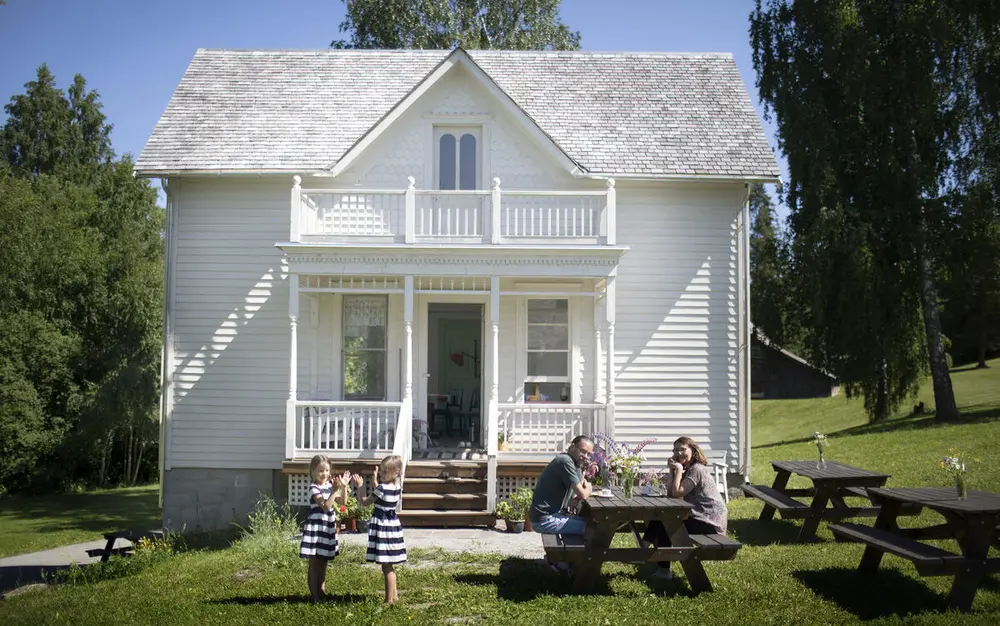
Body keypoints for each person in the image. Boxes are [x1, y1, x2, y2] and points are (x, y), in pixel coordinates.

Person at [642, 436, 728, 579]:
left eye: (682, 449)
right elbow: (670, 494)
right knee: (665, 521)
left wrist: (679, 470)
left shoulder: (697, 469)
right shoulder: (688, 468)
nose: (678, 453)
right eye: (675, 450)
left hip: (709, 522)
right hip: (698, 516)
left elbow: (677, 494)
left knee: (667, 523)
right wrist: (672, 472)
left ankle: (643, 553)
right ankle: (655, 563)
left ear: (692, 451)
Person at [299, 454, 352, 602]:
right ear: (313, 472)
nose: (324, 474)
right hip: (316, 528)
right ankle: (314, 595)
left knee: (324, 561)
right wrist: (334, 491)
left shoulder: (330, 486)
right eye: (321, 471)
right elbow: (326, 507)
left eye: (327, 470)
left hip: (327, 527)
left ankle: (322, 591)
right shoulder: (314, 488)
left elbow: (342, 503)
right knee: (315, 562)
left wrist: (344, 486)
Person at [355, 454, 407, 604]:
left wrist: (360, 487)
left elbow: (365, 502)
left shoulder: (382, 488)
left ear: (396, 472)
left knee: (386, 566)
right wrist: (375, 481)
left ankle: (388, 599)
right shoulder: (397, 487)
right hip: (392, 526)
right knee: (390, 562)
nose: (382, 474)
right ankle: (395, 596)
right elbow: (382, 493)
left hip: (383, 527)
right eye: (381, 472)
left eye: (385, 472)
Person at [530, 434, 595, 537]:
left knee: (592, 522)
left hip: (553, 516)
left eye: (588, 454)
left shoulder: (573, 463)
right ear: (572, 446)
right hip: (545, 520)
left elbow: (575, 494)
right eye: (582, 451)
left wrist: (583, 468)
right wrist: (589, 488)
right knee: (593, 528)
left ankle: (581, 552)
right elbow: (583, 495)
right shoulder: (565, 461)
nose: (585, 456)